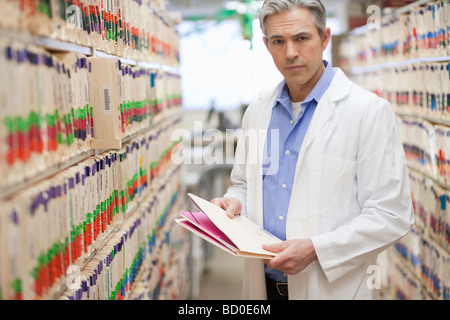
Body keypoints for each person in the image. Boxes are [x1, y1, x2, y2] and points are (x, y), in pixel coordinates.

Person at [211, 0, 414, 300]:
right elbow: (242, 184)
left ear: (324, 38)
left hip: (329, 289)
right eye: (279, 41)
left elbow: (391, 214)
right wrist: (232, 203)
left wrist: (317, 250)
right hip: (264, 289)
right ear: (267, 45)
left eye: (302, 38)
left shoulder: (367, 112)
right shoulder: (258, 111)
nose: (290, 52)